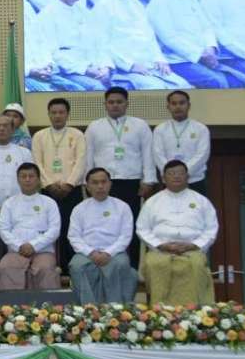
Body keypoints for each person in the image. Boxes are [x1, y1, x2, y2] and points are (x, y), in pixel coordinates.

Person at [149, 0, 245, 88]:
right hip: (180, 61)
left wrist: (210, 48)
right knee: (217, 82)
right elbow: (170, 39)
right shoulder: (159, 2)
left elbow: (207, 27)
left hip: (204, 56)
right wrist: (200, 54)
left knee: (239, 79)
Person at [91, 0, 192, 89]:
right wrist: (130, 65)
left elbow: (150, 37)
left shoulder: (137, 5)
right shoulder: (103, 7)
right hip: (125, 69)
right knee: (156, 89)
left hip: (150, 65)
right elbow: (102, 45)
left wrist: (159, 59)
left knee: (184, 86)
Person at [85, 87, 155, 267]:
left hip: (131, 182)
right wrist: (88, 182)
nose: (115, 105)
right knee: (104, 223)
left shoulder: (140, 125)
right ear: (105, 104)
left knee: (131, 225)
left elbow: (148, 153)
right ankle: (102, 263)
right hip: (102, 183)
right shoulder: (94, 126)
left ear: (127, 104)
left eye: (119, 102)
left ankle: (132, 267)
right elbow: (88, 155)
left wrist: (148, 179)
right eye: (111, 102)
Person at [137, 160, 217, 306]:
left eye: (180, 173)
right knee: (153, 264)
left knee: (198, 264)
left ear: (188, 177)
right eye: (171, 173)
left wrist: (194, 245)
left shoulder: (201, 201)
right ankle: (160, 311)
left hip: (192, 250)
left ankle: (195, 312)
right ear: (163, 178)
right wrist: (161, 245)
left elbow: (211, 229)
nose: (176, 176)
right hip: (160, 251)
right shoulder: (153, 202)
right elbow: (142, 229)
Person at [36, 0, 115, 90]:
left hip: (95, 68)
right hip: (70, 72)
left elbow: (100, 45)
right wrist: (86, 69)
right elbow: (54, 55)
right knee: (97, 88)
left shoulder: (85, 12)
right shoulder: (47, 15)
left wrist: (105, 67)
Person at [68, 168, 138, 304]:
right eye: (95, 183)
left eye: (103, 182)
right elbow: (74, 237)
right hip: (86, 253)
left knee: (120, 264)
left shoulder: (122, 207)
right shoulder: (79, 208)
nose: (100, 186)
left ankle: (116, 309)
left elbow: (125, 236)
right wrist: (91, 253)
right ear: (87, 186)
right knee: (76, 266)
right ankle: (88, 309)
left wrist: (108, 253)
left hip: (115, 253)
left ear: (110, 184)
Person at [0, 163, 62, 290]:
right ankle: (13, 303)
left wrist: (34, 245)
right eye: (23, 176)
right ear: (18, 179)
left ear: (38, 179)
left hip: (43, 250)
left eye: (31, 176)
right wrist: (19, 246)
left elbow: (54, 230)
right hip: (16, 251)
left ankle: (47, 303)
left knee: (45, 268)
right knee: (5, 267)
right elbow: (3, 229)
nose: (27, 179)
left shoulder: (49, 202)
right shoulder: (9, 203)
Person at [34, 97, 86, 261]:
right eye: (54, 112)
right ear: (48, 114)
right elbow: (37, 163)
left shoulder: (77, 134)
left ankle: (70, 265)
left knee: (71, 228)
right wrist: (49, 185)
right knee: (48, 228)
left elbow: (81, 161)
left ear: (67, 114)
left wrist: (69, 184)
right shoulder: (39, 136)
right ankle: (51, 263)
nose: (57, 116)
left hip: (72, 191)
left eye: (61, 112)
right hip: (48, 191)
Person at [152, 91, 210, 197]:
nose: (178, 107)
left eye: (182, 103)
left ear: (189, 105)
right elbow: (158, 155)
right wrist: (172, 174)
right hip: (169, 182)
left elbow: (202, 155)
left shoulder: (201, 128)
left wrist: (183, 173)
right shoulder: (160, 129)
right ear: (168, 107)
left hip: (194, 180)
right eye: (174, 103)